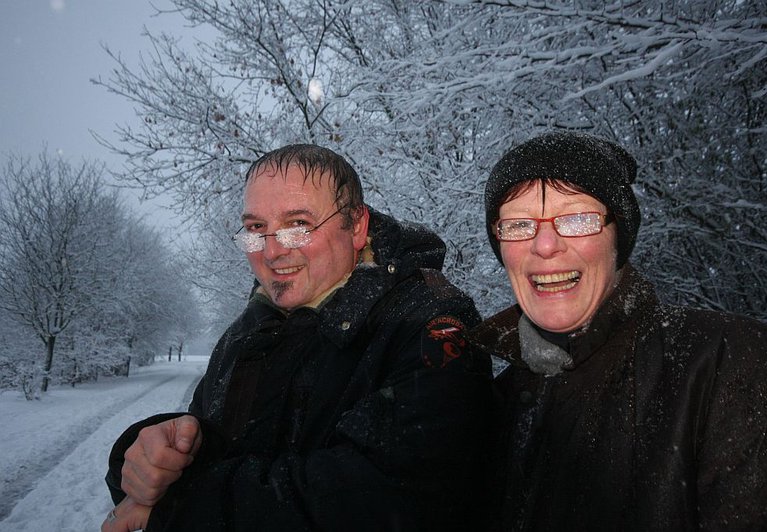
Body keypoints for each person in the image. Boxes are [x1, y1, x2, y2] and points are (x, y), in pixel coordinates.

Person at [102, 144, 493, 531]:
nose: (271, 252)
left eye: (298, 225)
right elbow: (224, 441)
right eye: (257, 229)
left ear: (356, 226)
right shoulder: (249, 329)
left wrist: (185, 505)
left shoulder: (427, 325)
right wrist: (156, 453)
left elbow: (393, 497)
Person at [468, 131, 767, 531]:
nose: (545, 245)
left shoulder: (727, 363)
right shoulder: (493, 406)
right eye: (519, 224)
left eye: (576, 219)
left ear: (618, 238)